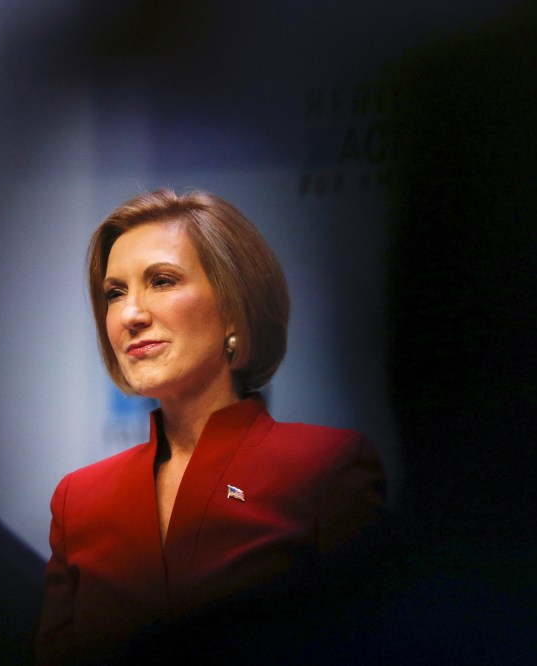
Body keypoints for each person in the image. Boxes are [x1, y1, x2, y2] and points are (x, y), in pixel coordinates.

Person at [35, 189, 386, 664]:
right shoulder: (78, 501)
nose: (131, 315)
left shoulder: (327, 468)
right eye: (114, 293)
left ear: (234, 307)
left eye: (161, 281)